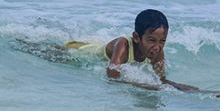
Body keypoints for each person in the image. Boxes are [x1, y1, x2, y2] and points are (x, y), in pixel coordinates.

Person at [64, 9, 198, 91]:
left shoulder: (157, 53)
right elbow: (112, 76)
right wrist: (143, 86)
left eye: (162, 41)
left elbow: (161, 80)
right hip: (84, 51)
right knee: (56, 56)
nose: (157, 46)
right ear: (136, 37)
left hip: (94, 50)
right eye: (151, 40)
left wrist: (182, 87)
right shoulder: (123, 45)